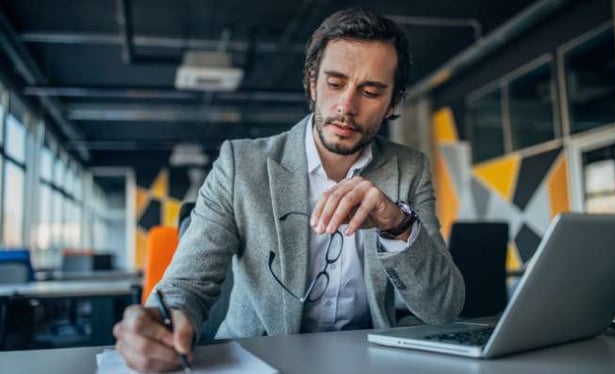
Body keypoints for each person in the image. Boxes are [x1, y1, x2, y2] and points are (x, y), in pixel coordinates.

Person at [113, 7, 465, 372]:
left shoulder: (409, 169)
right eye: (334, 83)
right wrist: (162, 319)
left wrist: (397, 223)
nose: (347, 106)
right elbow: (187, 284)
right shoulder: (240, 164)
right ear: (312, 83)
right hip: (260, 360)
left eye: (371, 91)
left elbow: (443, 308)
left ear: (394, 103)